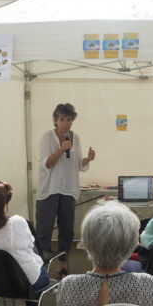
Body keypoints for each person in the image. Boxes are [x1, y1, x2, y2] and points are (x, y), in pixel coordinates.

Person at [35, 102, 96, 277]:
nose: (66, 123)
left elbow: (78, 165)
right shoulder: (47, 137)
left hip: (69, 189)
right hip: (49, 190)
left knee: (67, 230)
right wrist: (62, 149)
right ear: (56, 120)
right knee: (44, 231)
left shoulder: (75, 138)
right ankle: (41, 268)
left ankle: (61, 265)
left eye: (69, 119)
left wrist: (88, 159)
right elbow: (46, 164)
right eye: (62, 119)